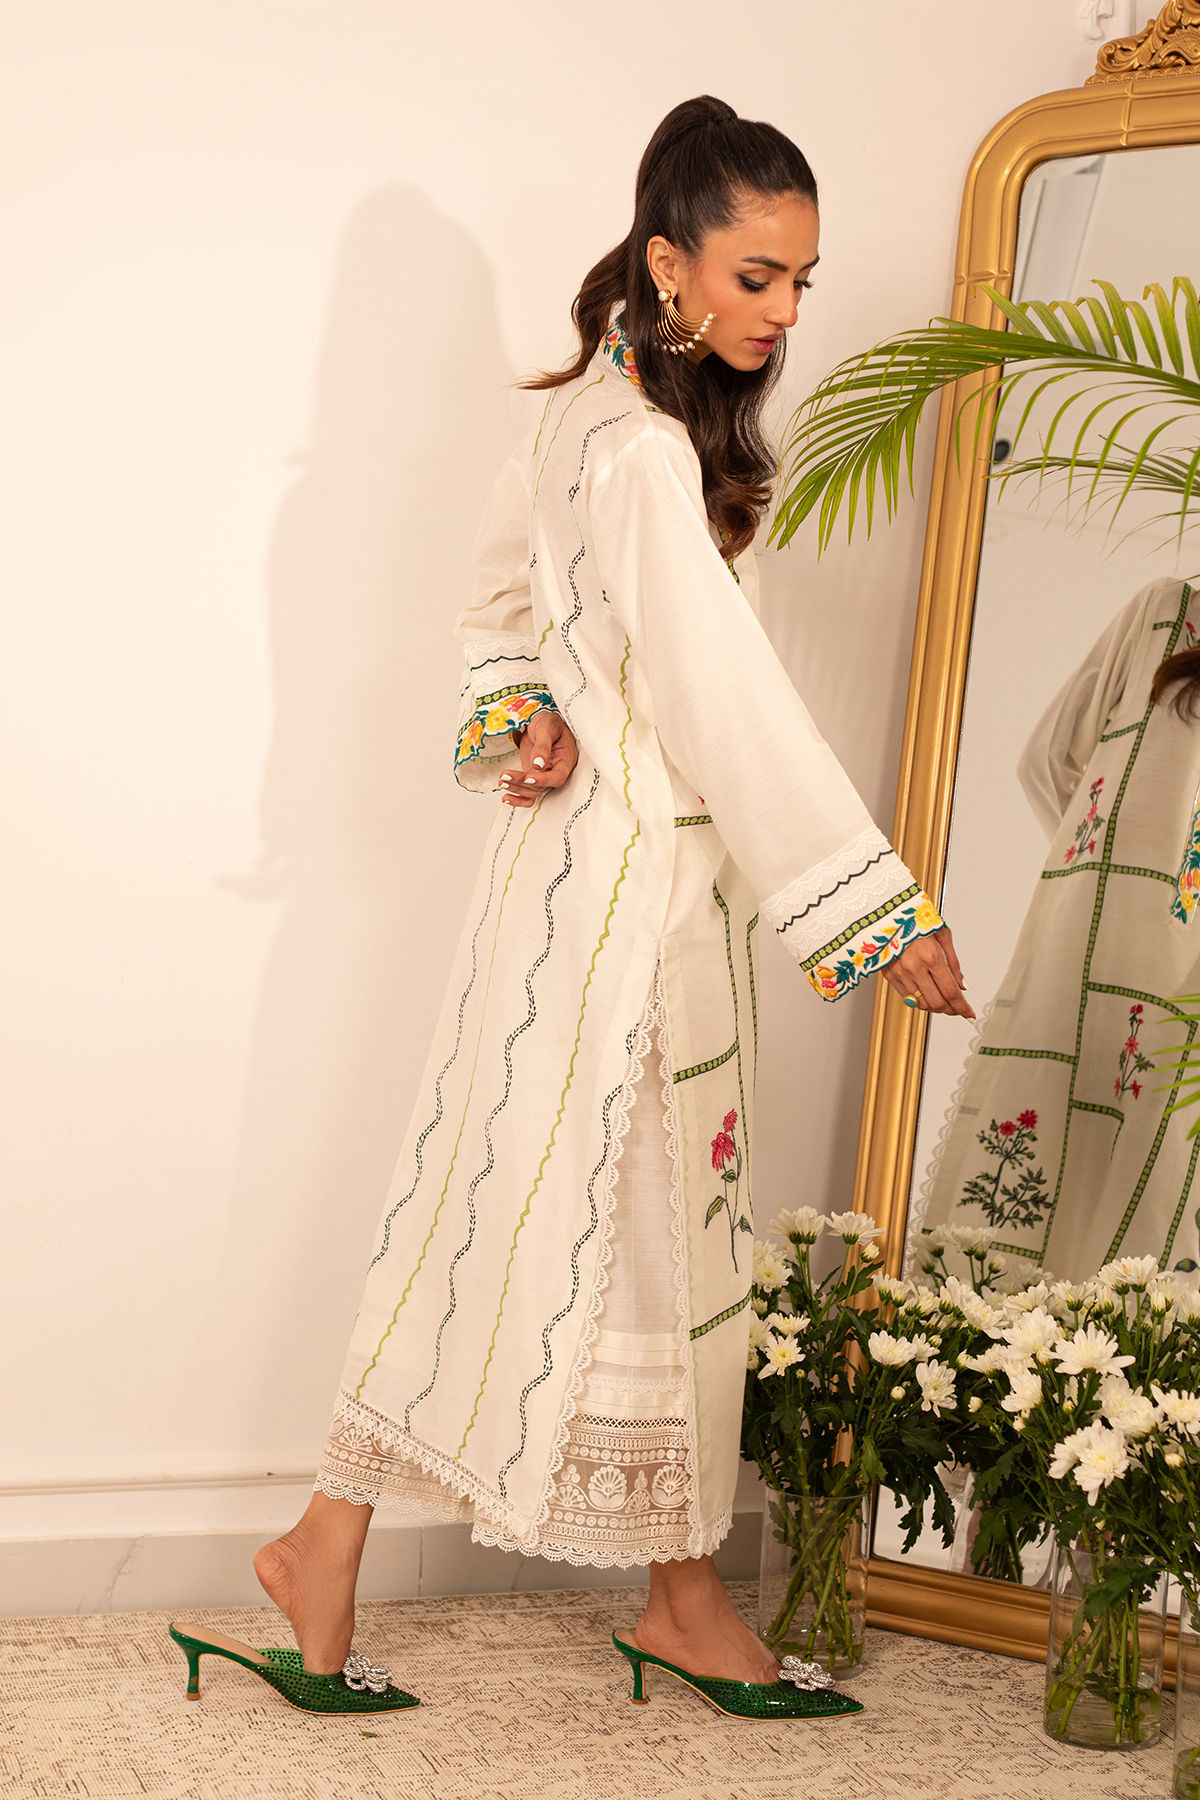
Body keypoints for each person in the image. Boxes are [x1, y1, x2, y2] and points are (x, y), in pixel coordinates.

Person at [172, 95, 971, 1721]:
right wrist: (878, 911)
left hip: (558, 906)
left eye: (802, 281)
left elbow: (498, 608)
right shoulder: (638, 451)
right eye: (756, 276)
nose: (784, 312)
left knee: (523, 1223)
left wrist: (521, 710)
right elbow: (722, 696)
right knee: (612, 1235)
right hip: (623, 924)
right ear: (670, 262)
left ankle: (368, 1550)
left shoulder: (583, 419)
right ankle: (631, 1592)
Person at [917, 574, 1200, 1281]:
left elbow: (1045, 761)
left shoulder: (1167, 615)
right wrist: (1101, 881)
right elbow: (1043, 764)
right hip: (1124, 954)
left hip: (1118, 949)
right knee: (1089, 1164)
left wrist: (1100, 884)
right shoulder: (1166, 610)